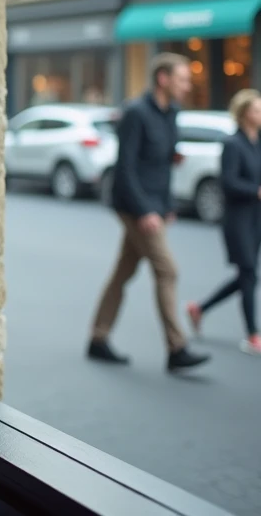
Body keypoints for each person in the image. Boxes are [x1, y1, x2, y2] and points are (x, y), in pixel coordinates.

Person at [88, 53, 210, 372]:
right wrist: (144, 211)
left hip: (155, 206)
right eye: (182, 79)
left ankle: (97, 339)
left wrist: (166, 206)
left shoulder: (172, 113)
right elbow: (125, 168)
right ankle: (177, 348)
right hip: (133, 206)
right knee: (167, 269)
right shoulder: (135, 113)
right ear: (163, 79)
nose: (188, 85)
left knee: (123, 271)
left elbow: (165, 164)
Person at [186, 89, 261, 356]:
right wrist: (256, 191)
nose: (260, 114)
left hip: (255, 217)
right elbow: (228, 183)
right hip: (237, 218)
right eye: (256, 110)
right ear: (244, 114)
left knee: (247, 276)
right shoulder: (232, 144)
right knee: (249, 273)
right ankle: (253, 334)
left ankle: (200, 308)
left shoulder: (257, 142)